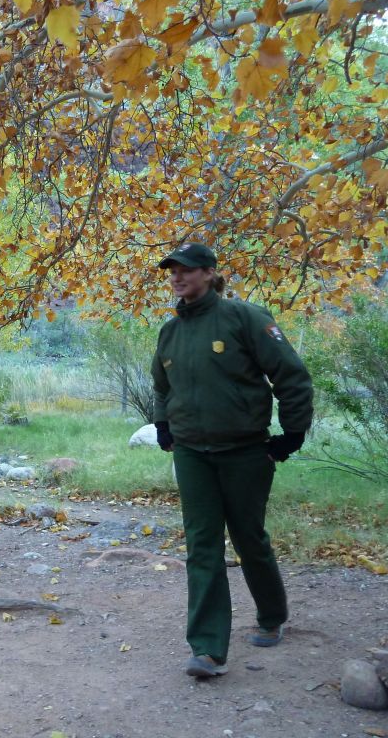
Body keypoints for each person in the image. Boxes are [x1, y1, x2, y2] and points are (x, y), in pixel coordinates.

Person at [150, 242, 313, 679]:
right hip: (191, 454)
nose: (176, 277)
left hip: (244, 451)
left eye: (184, 270)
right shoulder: (170, 331)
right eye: (172, 271)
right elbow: (161, 387)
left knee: (248, 537)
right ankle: (206, 649)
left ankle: (272, 614)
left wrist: (292, 433)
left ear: (208, 272)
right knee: (202, 545)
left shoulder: (245, 318)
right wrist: (163, 424)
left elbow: (291, 376)